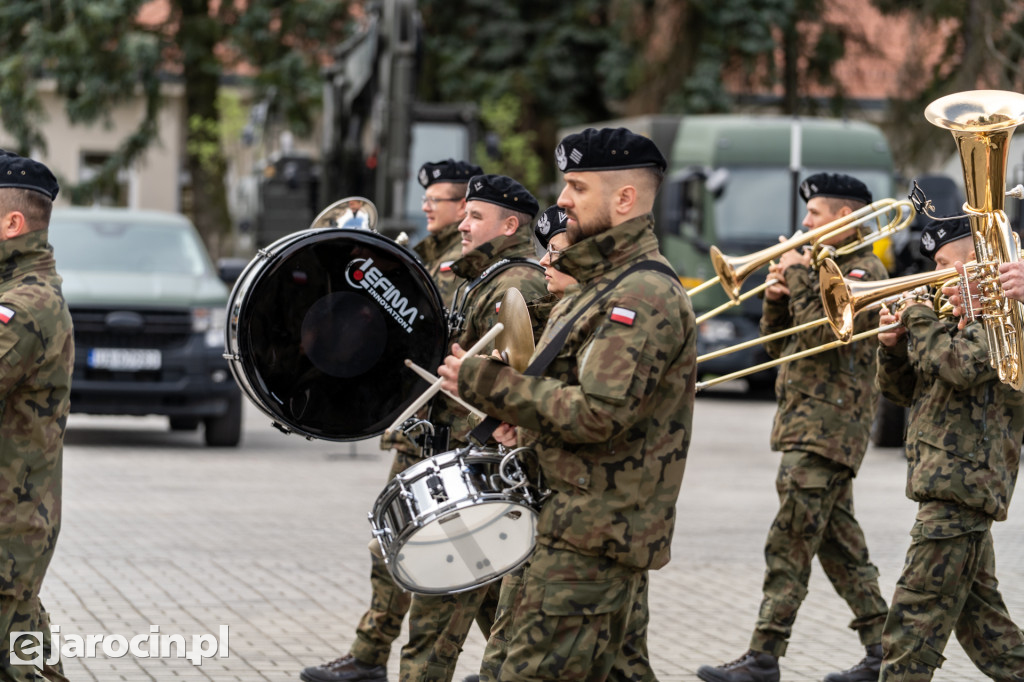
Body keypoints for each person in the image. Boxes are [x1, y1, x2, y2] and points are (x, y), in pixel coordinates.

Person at [438, 127, 696, 681]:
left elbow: (598, 413)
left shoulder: (640, 294)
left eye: (577, 187)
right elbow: (566, 391)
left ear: (623, 199)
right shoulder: (598, 282)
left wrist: (486, 384)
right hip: (557, 525)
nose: (561, 200)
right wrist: (520, 425)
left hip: (588, 541)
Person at [697, 172, 889, 682]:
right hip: (806, 426)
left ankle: (764, 656)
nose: (803, 224)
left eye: (814, 215)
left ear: (844, 218)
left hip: (828, 430)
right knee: (840, 548)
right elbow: (784, 351)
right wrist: (779, 297)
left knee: (788, 544)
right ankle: (885, 651)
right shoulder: (819, 269)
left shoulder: (866, 273)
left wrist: (801, 278)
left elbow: (835, 336)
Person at [300, 159, 480, 682]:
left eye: (438, 199)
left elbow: (420, 335)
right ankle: (370, 652)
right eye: (425, 197)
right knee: (389, 545)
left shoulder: (456, 264)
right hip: (417, 427)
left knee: (457, 564)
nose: (427, 206)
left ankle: (500, 666)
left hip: (445, 434)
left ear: (466, 208)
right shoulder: (425, 255)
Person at [399, 173, 549, 682]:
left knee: (431, 633)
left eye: (475, 217)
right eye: (463, 214)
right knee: (498, 629)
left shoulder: (517, 286)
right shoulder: (487, 277)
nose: (462, 224)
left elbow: (518, 389)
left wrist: (465, 388)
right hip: (467, 471)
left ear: (510, 225)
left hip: (481, 479)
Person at [876, 216, 1024, 682]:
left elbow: (960, 366)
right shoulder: (953, 317)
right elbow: (905, 393)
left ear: (976, 261)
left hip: (963, 488)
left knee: (911, 625)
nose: (934, 275)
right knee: (987, 632)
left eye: (942, 265)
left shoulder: (1006, 318)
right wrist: (893, 347)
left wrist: (917, 318)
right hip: (947, 485)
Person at [0, 150, 74, 682]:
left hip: (8, 528)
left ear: (12, 223)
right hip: (15, 525)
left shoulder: (24, 308)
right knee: (30, 656)